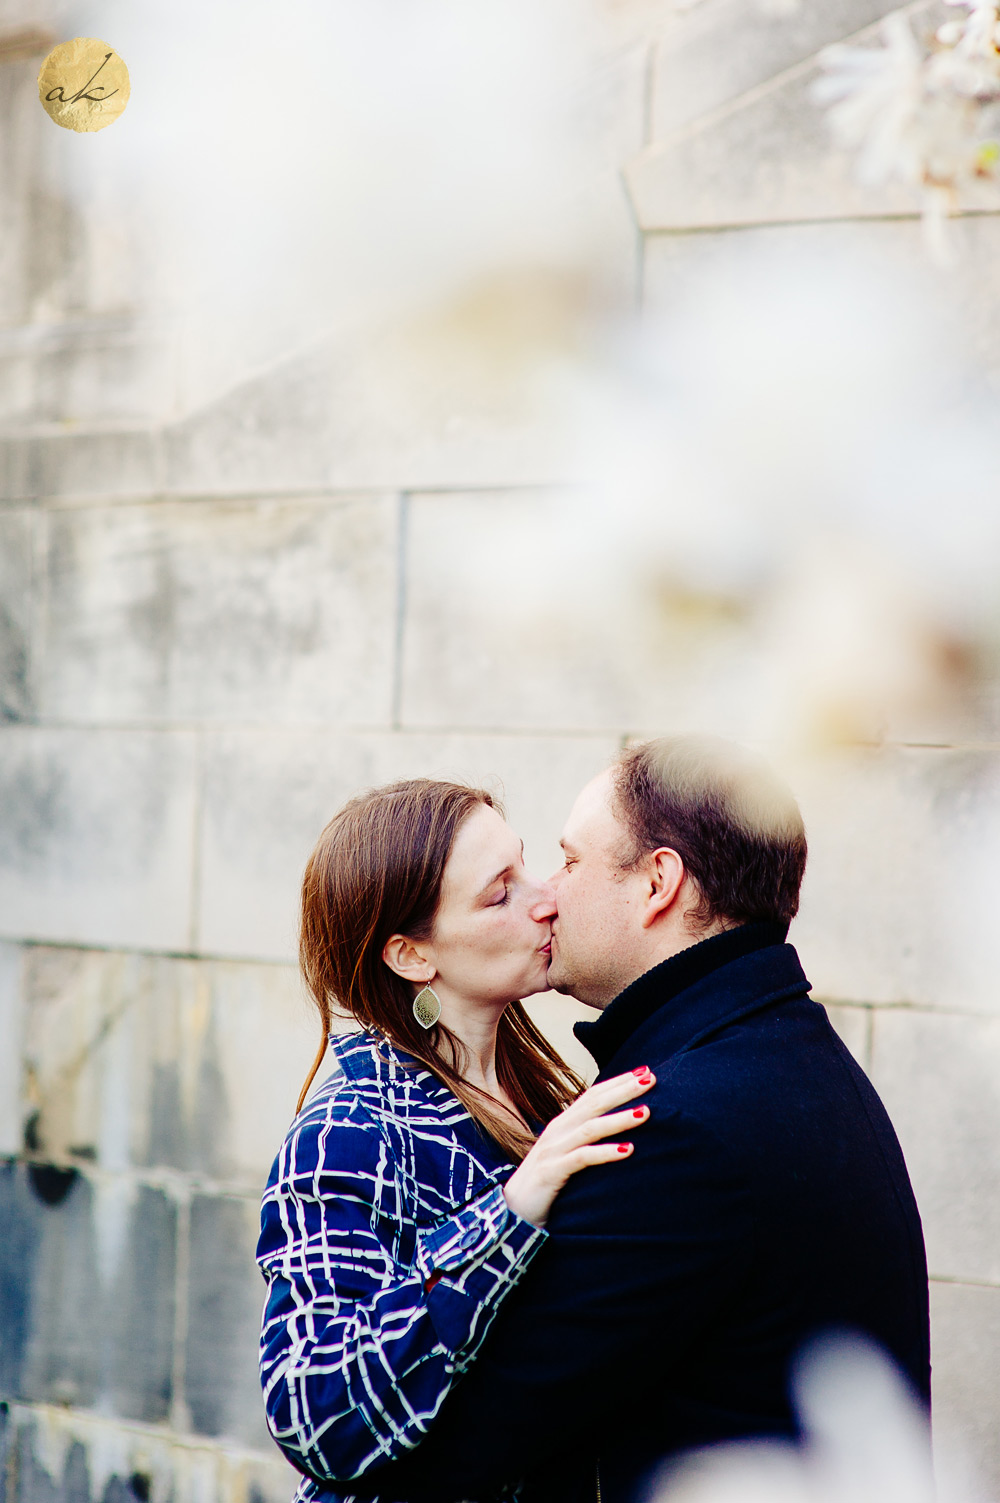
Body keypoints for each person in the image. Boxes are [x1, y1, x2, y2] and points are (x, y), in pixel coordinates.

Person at [346, 735, 931, 1503]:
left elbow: (447, 1441)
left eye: (569, 860)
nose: (548, 894)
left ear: (659, 882)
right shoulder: (791, 1055)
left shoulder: (676, 1123)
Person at [256, 778, 654, 1503]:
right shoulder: (348, 1132)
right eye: (499, 893)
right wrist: (509, 1214)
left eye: (528, 867)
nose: (546, 900)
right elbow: (317, 1414)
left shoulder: (543, 1098)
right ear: (412, 956)